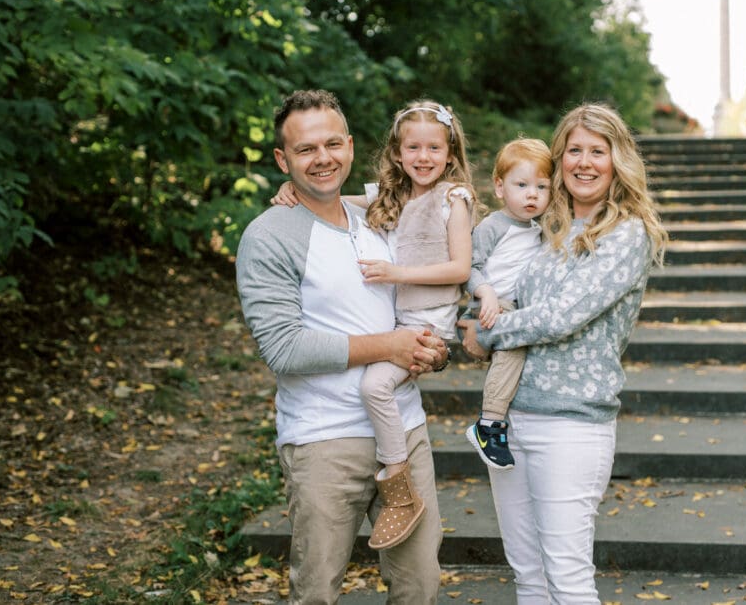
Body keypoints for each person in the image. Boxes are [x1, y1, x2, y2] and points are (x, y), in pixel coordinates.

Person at [236, 89, 448, 604]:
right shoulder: (269, 236)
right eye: (306, 150)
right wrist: (390, 346)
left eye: (333, 143)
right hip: (324, 439)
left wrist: (428, 349)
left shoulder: (381, 220)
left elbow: (413, 307)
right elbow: (284, 349)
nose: (324, 158)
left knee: (420, 584)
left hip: (404, 429)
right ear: (283, 160)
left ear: (350, 146)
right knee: (318, 592)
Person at [457, 102, 669, 604]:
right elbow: (456, 230)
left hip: (571, 425)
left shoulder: (626, 233)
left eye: (599, 151)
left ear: (618, 160)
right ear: (559, 161)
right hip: (511, 422)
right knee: (528, 577)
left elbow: (561, 316)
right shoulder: (542, 227)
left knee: (568, 581)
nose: (585, 162)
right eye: (574, 150)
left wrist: (486, 333)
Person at [272, 99, 475, 550]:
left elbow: (460, 267)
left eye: (434, 149)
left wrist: (396, 273)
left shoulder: (453, 198)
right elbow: (331, 196)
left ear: (450, 153)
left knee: (374, 388)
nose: (424, 158)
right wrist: (290, 190)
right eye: (413, 148)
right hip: (399, 325)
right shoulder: (394, 197)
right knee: (375, 385)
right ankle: (396, 475)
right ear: (398, 153)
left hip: (425, 324)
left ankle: (396, 482)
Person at [463, 138, 553, 470]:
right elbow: (468, 266)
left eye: (542, 187)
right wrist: (484, 293)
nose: (533, 194)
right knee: (515, 346)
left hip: (514, 306)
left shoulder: (537, 230)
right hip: (490, 303)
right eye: (522, 185)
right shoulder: (494, 226)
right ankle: (489, 424)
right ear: (500, 188)